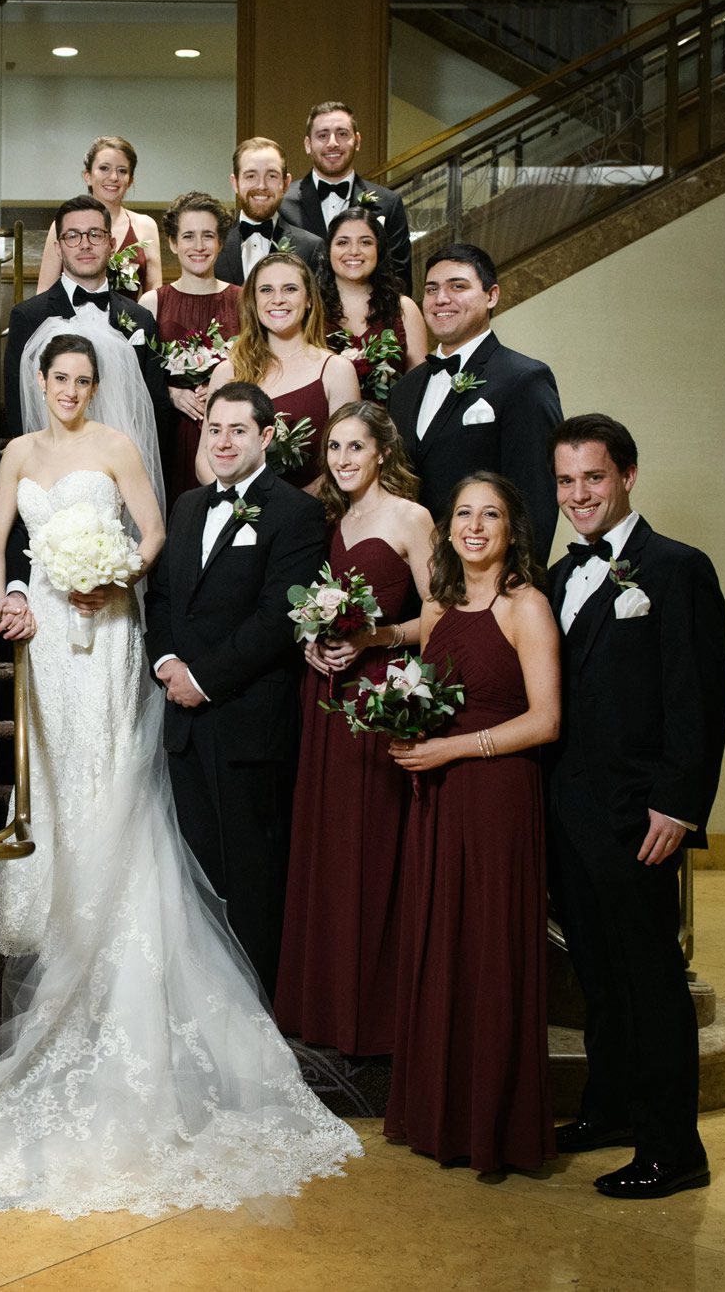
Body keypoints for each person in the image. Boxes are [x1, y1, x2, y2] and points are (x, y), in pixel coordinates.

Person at [0, 341, 359, 1219]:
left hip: (107, 623)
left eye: (84, 380)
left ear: (95, 386)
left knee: (108, 766)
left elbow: (151, 535)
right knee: (51, 768)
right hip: (42, 627)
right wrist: (12, 597)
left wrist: (112, 572)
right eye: (60, 379)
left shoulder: (120, 447)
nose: (72, 391)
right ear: (39, 383)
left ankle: (111, 904)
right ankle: (57, 899)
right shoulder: (15, 454)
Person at [547, 414, 725, 1200]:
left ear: (627, 475)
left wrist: (678, 804)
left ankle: (673, 1146)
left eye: (593, 477)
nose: (579, 494)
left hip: (639, 818)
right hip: (567, 814)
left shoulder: (678, 568)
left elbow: (700, 696)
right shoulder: (558, 576)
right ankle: (611, 1108)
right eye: (565, 481)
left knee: (652, 981)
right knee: (598, 975)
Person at [384, 472, 559, 1174]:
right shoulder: (443, 604)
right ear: (449, 527)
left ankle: (493, 1125)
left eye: (491, 514)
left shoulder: (527, 606)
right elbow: (413, 650)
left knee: (489, 948)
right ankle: (438, 1114)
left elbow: (547, 720)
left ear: (513, 528)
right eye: (464, 513)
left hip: (496, 797)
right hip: (440, 797)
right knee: (442, 942)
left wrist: (450, 748)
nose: (475, 526)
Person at [146, 380, 327, 996]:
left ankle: (255, 1001)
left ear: (267, 437)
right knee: (197, 866)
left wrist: (205, 679)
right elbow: (166, 596)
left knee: (252, 868)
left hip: (249, 718)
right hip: (183, 719)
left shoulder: (297, 513)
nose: (222, 442)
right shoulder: (188, 505)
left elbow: (278, 617)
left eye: (237, 431)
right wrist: (167, 661)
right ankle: (206, 997)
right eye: (213, 429)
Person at [276, 402, 433, 1056]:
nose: (341, 459)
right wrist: (311, 640)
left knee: (369, 847)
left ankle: (372, 1016)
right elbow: (311, 606)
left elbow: (444, 616)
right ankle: (323, 1006)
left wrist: (377, 637)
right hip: (325, 693)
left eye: (354, 448)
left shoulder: (412, 517)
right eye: (334, 447)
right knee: (328, 843)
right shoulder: (330, 514)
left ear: (382, 453)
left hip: (374, 697)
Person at [387, 243, 564, 558]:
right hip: (414, 579)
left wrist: (516, 586)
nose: (442, 299)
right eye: (432, 289)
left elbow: (536, 497)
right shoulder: (403, 390)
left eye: (458, 286)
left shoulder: (524, 379)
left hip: (490, 576)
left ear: (491, 295)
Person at [1, 195, 165, 473]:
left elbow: (155, 409)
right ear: (58, 247)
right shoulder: (28, 317)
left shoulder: (141, 319)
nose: (85, 244)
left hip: (124, 470)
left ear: (112, 244)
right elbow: (18, 408)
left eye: (95, 234)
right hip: (50, 470)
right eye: (73, 236)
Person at [202, 253, 358, 493]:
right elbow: (204, 461)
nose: (277, 299)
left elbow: (345, 461)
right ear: (253, 300)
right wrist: (242, 505)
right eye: (266, 290)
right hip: (237, 514)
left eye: (290, 289)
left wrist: (287, 510)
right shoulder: (226, 372)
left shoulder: (336, 371)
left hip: (310, 515)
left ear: (308, 300)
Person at [141, 190, 241, 496]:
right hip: (169, 436)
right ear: (172, 243)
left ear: (220, 242)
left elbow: (262, 367)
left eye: (208, 236)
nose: (198, 246)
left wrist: (226, 385)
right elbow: (139, 378)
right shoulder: (152, 303)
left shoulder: (243, 300)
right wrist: (170, 392)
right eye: (188, 236)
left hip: (229, 436)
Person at [281, 102, 414, 296]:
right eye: (322, 135)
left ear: (357, 141)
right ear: (308, 145)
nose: (332, 142)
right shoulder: (282, 203)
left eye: (342, 134)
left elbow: (400, 279)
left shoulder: (389, 203)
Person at [315, 208, 427, 404]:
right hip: (328, 427)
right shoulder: (311, 310)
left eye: (365, 242)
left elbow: (419, 386)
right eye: (343, 242)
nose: (354, 251)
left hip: (391, 427)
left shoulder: (404, 309)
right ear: (328, 250)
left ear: (379, 250)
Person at [33, 136, 164, 298]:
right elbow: (44, 293)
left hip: (128, 322)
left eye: (122, 170)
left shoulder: (146, 226)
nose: (114, 177)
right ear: (87, 176)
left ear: (130, 180)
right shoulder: (62, 225)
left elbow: (155, 298)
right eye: (104, 168)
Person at [214, 137, 324, 285]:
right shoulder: (212, 246)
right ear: (235, 183)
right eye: (251, 176)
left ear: (286, 184)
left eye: (272, 176)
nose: (261, 185)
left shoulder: (311, 248)